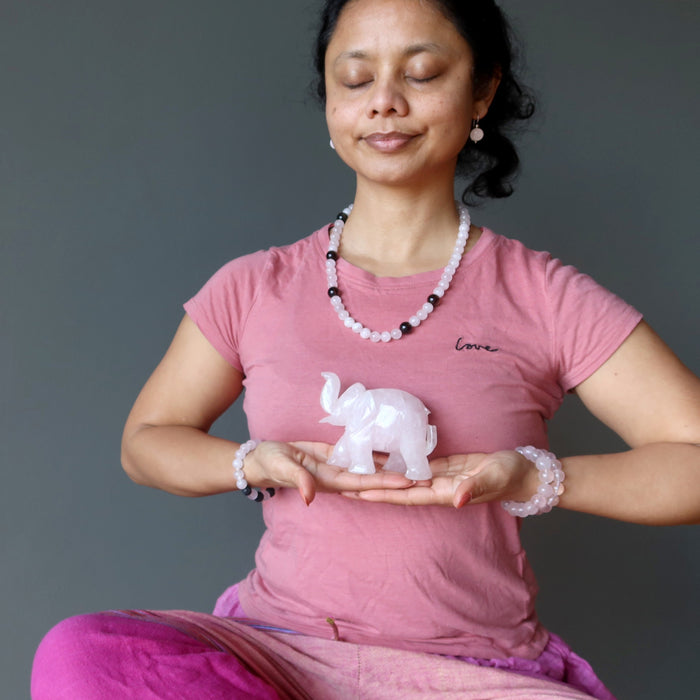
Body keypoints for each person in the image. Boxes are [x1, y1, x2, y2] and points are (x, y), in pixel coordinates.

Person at [32, 0, 700, 698]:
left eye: (422, 73)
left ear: (482, 91)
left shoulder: (544, 295)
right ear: (330, 101)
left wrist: (536, 479)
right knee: (81, 653)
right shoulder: (254, 286)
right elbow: (145, 442)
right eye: (355, 79)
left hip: (468, 676)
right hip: (276, 660)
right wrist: (248, 461)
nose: (384, 101)